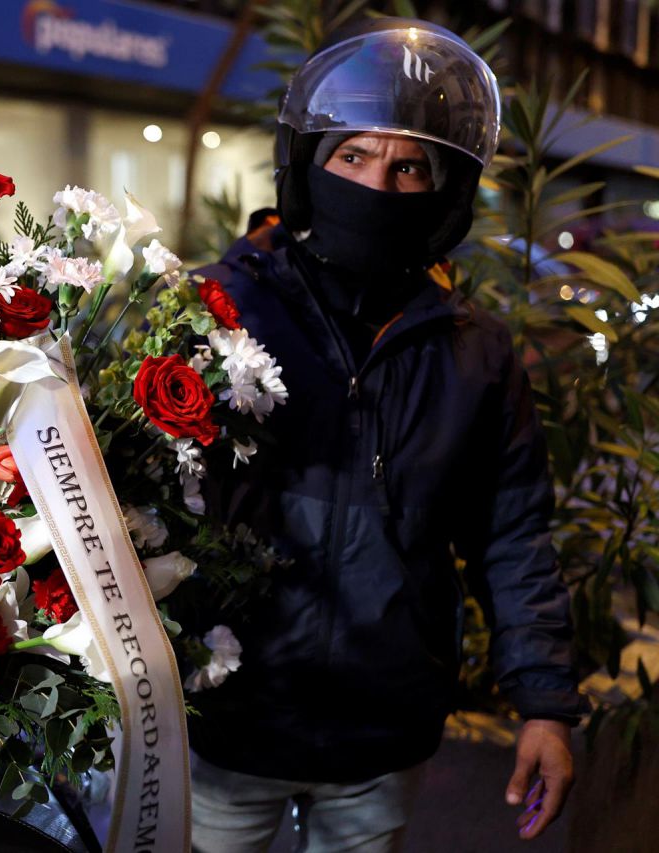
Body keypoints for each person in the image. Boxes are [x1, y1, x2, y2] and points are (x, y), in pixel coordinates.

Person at [188, 19, 585, 852]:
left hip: (379, 733)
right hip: (225, 719)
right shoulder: (217, 312)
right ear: (307, 164)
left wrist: (545, 703)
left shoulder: (476, 353)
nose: (379, 183)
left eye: (410, 167)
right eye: (354, 156)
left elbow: (513, 535)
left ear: (445, 193)